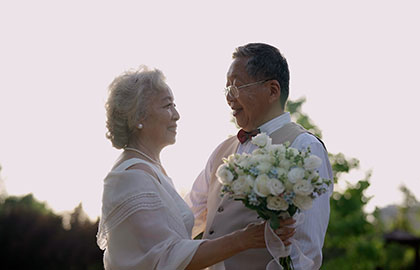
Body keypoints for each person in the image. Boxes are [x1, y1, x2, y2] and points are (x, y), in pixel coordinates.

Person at [96, 66, 295, 270]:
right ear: (139, 117)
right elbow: (165, 259)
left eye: (174, 105)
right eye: (167, 106)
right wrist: (244, 239)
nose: (176, 115)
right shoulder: (131, 177)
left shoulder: (151, 169)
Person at [186, 43, 334, 270]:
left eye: (236, 87)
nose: (229, 98)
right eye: (226, 90)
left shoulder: (305, 147)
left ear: (273, 90)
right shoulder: (221, 151)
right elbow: (189, 216)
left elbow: (305, 252)